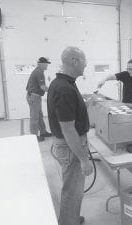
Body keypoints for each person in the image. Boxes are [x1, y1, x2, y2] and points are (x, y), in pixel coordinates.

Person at [47, 47, 93, 225]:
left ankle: (71, 217)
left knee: (74, 188)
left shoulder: (64, 83)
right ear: (74, 61)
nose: (86, 64)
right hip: (70, 146)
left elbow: (69, 115)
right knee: (72, 190)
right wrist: (84, 159)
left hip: (69, 144)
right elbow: (68, 130)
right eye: (84, 60)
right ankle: (68, 222)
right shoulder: (64, 88)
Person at [26, 57, 52, 142]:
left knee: (39, 115)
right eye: (46, 64)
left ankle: (43, 132)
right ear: (41, 64)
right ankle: (34, 136)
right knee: (35, 117)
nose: (47, 66)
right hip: (34, 97)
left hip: (35, 96)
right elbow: (43, 87)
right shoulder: (39, 72)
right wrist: (53, 91)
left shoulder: (38, 71)